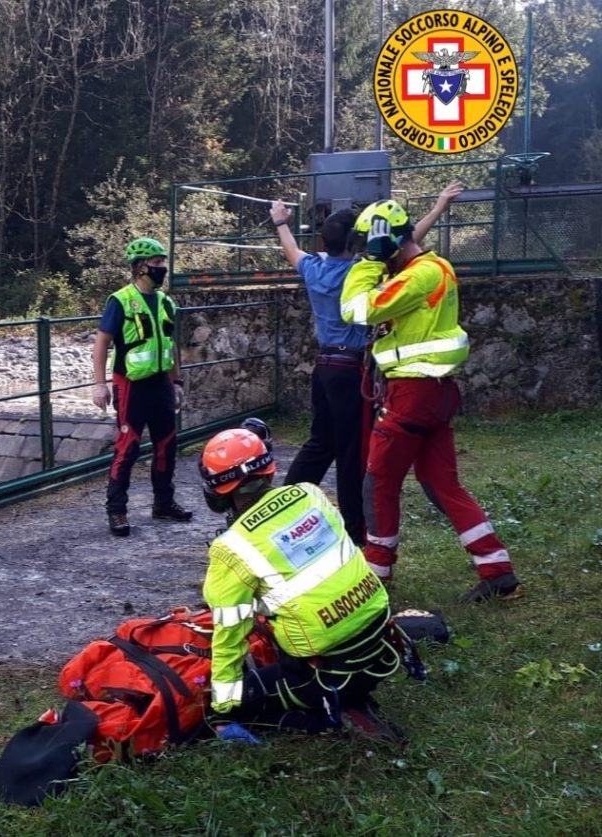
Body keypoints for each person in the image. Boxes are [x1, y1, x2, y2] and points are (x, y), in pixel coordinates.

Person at [340, 195, 523, 604]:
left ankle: (376, 573)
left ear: (384, 241)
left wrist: (369, 262)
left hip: (413, 394)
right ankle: (498, 572)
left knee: (379, 482)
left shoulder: (419, 275)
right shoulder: (429, 269)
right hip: (434, 392)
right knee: (442, 483)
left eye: (370, 245)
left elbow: (355, 309)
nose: (367, 254)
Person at [269, 181, 464, 545]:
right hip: (351, 369)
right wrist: (438, 208)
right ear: (357, 242)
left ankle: (284, 507)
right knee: (352, 452)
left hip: (323, 367)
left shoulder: (313, 268)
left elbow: (291, 249)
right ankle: (356, 529)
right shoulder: (361, 272)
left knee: (319, 443)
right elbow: (406, 245)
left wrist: (280, 222)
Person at [199, 423, 405, 739]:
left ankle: (328, 719)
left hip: (325, 669)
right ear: (268, 469)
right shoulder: (310, 494)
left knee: (237, 701)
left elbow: (230, 633)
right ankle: (343, 697)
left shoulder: (231, 548)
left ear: (216, 490)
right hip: (380, 645)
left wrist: (224, 707)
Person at [90, 237, 193, 536]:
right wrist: (99, 385)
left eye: (163, 262)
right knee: (128, 448)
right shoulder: (120, 300)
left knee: (166, 445)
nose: (162, 268)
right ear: (140, 267)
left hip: (160, 383)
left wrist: (177, 381)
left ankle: (163, 503)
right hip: (131, 385)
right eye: (156, 262)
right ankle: (117, 510)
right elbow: (101, 344)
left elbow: (170, 345)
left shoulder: (165, 302)